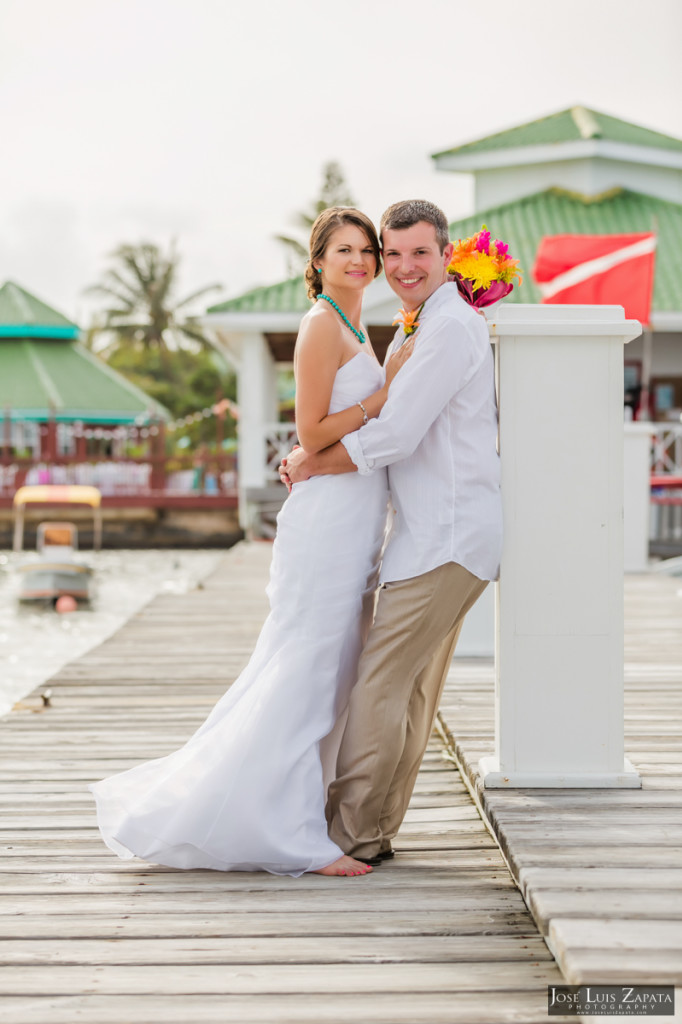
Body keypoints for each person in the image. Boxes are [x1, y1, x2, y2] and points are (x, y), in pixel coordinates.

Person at [89, 207, 414, 878]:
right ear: (317, 262)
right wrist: (387, 393)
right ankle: (294, 837)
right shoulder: (320, 326)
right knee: (310, 667)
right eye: (343, 250)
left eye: (365, 251)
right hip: (326, 521)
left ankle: (295, 809)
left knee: (332, 671)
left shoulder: (355, 324)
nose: (359, 261)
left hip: (354, 521)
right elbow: (313, 432)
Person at [280, 199, 503, 865]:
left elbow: (398, 434)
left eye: (418, 254)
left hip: (447, 539)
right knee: (404, 691)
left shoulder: (449, 329)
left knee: (379, 686)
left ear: (445, 254)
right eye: (394, 252)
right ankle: (373, 830)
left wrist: (312, 460)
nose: (403, 267)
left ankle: (350, 834)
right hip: (433, 536)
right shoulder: (422, 323)